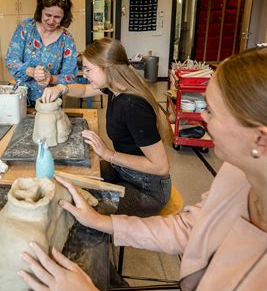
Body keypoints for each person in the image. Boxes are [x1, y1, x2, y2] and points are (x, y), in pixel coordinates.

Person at [19, 45, 267, 291]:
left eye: (212, 112)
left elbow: (158, 167)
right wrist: (101, 221)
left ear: (262, 139)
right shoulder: (237, 175)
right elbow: (192, 229)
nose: (196, 118)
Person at [42, 37, 172, 217]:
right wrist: (61, 88)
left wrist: (108, 154)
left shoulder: (133, 106)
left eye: (88, 69)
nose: (84, 74)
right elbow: (85, 90)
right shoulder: (114, 87)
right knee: (77, 177)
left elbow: (160, 166)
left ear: (108, 68)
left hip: (148, 189)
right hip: (125, 172)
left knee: (82, 207)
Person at [5, 0, 77, 106]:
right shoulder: (26, 28)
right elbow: (11, 61)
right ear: (40, 11)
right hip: (22, 98)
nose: (51, 21)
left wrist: (51, 78)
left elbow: (70, 77)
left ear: (64, 17)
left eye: (57, 17)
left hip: (50, 101)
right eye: (48, 15)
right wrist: (32, 72)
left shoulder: (67, 39)